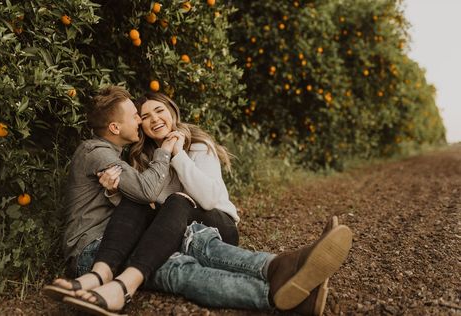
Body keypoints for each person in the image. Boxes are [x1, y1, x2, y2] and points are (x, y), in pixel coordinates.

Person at [44, 88, 352, 316]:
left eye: (156, 112)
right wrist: (121, 187)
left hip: (208, 220)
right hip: (125, 241)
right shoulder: (118, 156)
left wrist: (175, 154)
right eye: (141, 116)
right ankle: (283, 281)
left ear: (173, 113)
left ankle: (283, 268)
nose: (146, 120)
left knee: (186, 234)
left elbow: (201, 199)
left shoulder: (193, 147)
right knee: (181, 264)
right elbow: (142, 202)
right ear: (118, 127)